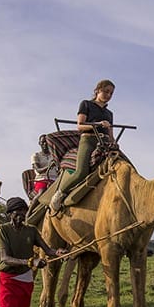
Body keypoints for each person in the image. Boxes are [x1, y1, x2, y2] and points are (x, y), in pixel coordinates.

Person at [49, 79, 115, 213]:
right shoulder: (86, 104)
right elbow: (80, 126)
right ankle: (59, 194)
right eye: (106, 91)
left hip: (104, 143)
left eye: (111, 93)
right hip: (88, 140)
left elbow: (111, 134)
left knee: (122, 165)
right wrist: (98, 124)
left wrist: (114, 143)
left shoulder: (109, 114)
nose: (108, 95)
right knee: (81, 172)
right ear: (98, 90)